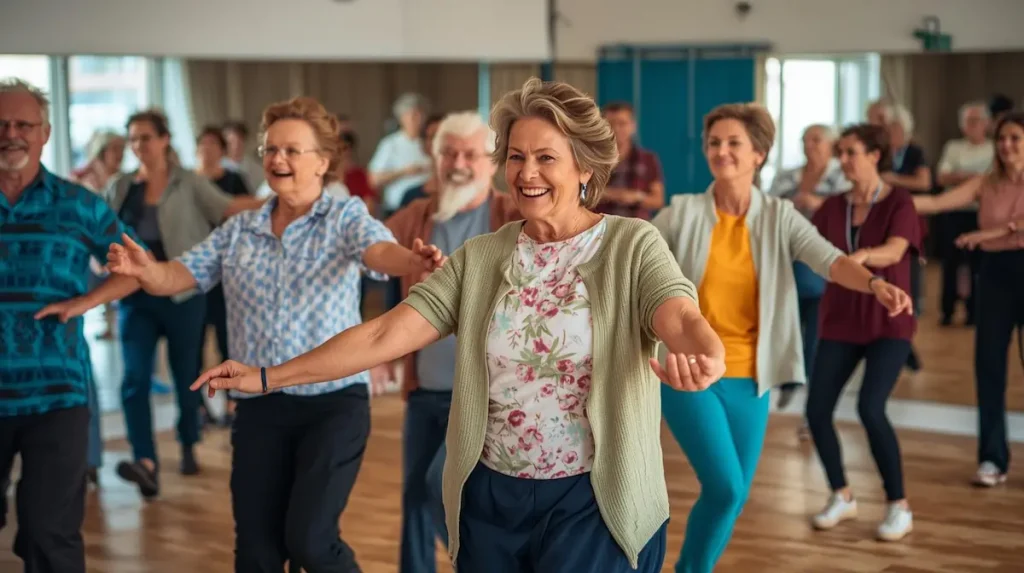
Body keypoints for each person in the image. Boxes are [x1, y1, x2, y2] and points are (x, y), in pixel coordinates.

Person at [191, 78, 727, 573]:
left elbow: (678, 313)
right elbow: (384, 334)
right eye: (516, 157)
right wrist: (268, 376)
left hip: (594, 500)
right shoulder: (481, 256)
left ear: (584, 168)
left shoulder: (631, 245)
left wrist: (706, 352)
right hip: (492, 499)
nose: (527, 173)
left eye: (546, 158)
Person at [107, 95, 445, 572]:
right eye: (270, 149)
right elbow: (179, 274)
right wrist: (148, 271)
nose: (277, 159)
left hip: (332, 405)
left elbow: (378, 252)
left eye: (291, 150)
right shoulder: (239, 230)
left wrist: (412, 261)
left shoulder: (344, 218)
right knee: (257, 555)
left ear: (322, 161)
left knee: (311, 541)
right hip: (259, 407)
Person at [652, 105, 912, 573]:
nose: (721, 151)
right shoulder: (682, 212)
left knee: (733, 497)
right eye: (714, 143)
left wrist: (874, 284)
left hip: (753, 377)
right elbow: (638, 257)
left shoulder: (779, 215)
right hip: (688, 371)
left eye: (733, 143)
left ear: (759, 154)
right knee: (726, 487)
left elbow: (830, 260)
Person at [0, 77, 141, 573]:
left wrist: (86, 301)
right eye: (1, 124)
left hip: (58, 394)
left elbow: (137, 267)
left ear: (45, 133)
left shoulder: (78, 204)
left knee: (50, 535)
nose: (11, 134)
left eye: (23, 125)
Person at [384, 110, 520, 573]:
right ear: (435, 157)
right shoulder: (415, 216)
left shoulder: (511, 215)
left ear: (491, 161)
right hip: (425, 387)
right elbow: (374, 256)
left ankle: (486, 563)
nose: (458, 164)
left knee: (436, 486)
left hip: (485, 394)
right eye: (449, 153)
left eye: (470, 154)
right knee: (413, 497)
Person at [105, 109, 264, 497]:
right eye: (133, 139)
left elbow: (227, 207)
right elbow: (103, 229)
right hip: (134, 297)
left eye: (145, 137)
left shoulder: (189, 182)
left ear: (164, 140)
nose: (139, 145)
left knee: (184, 374)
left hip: (182, 294)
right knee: (134, 379)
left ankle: (189, 442)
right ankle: (145, 461)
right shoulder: (121, 186)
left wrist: (278, 200)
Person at [805, 123, 919, 542]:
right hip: (840, 320)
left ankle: (898, 505)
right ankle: (842, 494)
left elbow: (897, 249)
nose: (844, 160)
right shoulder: (833, 206)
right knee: (817, 411)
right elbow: (810, 247)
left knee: (871, 408)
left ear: (874, 155)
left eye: (851, 152)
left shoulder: (899, 201)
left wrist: (864, 256)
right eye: (841, 153)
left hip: (889, 321)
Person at [913, 111, 1024, 488]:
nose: (1006, 145)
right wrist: (882, 196)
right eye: (1002, 138)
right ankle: (992, 458)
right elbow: (937, 204)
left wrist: (989, 234)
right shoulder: (986, 181)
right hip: (995, 275)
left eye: (1015, 138)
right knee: (988, 367)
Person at [768, 123, 849, 415]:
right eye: (805, 140)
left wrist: (819, 203)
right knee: (788, 326)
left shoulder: (842, 175)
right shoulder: (787, 175)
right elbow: (768, 207)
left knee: (816, 331)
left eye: (816, 140)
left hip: (824, 260)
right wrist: (789, 206)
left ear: (831, 145)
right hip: (787, 258)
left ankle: (812, 402)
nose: (809, 145)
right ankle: (791, 381)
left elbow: (851, 209)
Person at [934, 101, 993, 326]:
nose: (973, 125)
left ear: (986, 124)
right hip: (954, 212)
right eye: (969, 121)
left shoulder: (994, 148)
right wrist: (977, 178)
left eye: (977, 120)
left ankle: (974, 312)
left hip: (981, 214)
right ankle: (947, 311)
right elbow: (942, 177)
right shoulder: (954, 147)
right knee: (950, 263)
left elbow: (994, 181)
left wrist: (960, 176)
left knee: (979, 265)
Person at [596, 101, 664, 219]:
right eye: (610, 124)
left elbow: (658, 201)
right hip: (600, 224)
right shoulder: (592, 158)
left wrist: (637, 197)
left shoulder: (648, 159)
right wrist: (615, 194)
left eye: (622, 123)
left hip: (637, 225)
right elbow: (580, 195)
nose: (616, 129)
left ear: (633, 126)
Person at [369, 93, 432, 216]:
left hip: (427, 206)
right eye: (412, 115)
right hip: (399, 208)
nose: (417, 119)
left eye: (420, 114)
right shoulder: (390, 144)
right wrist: (404, 172)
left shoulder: (428, 142)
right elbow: (374, 179)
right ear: (402, 118)